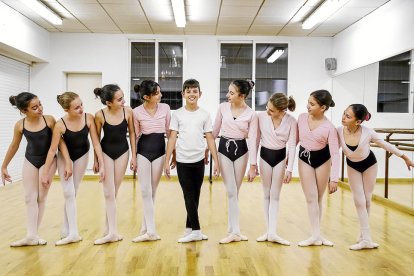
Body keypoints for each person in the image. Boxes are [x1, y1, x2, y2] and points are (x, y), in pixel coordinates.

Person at [338, 104, 414, 250]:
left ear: (358, 121)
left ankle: (364, 237)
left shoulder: (368, 132)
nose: (343, 117)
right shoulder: (339, 131)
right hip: (352, 166)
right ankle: (366, 239)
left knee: (366, 200)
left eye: (348, 116)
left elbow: (386, 145)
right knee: (358, 201)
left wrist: (405, 157)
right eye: (344, 113)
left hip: (369, 166)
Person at [1, 92, 67, 246]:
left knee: (40, 198)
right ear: (24, 111)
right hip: (30, 160)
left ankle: (33, 235)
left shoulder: (49, 120)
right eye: (34, 107)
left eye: (40, 104)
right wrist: (4, 166)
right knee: (29, 198)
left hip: (48, 162)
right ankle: (31, 236)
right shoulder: (20, 125)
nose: (39, 109)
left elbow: (60, 142)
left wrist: (68, 162)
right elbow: (14, 146)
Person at [41, 92, 105, 245]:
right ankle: (74, 233)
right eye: (76, 108)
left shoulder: (88, 118)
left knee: (73, 192)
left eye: (81, 104)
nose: (81, 109)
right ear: (66, 110)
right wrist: (45, 173)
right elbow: (52, 150)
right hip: (65, 158)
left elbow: (96, 143)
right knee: (68, 192)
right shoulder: (60, 125)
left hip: (82, 155)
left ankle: (67, 227)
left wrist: (100, 163)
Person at [164, 79, 219, 243]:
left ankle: (189, 228)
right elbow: (172, 138)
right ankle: (196, 230)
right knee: (188, 194)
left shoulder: (205, 114)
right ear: (183, 94)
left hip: (199, 160)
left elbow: (210, 138)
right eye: (188, 91)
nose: (192, 94)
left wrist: (216, 161)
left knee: (195, 195)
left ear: (200, 94)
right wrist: (167, 160)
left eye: (195, 91)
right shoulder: (177, 114)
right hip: (182, 161)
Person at [212, 80, 258, 244]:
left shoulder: (251, 114)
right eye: (228, 92)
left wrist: (253, 165)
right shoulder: (223, 108)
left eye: (231, 93)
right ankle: (236, 231)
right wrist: (208, 150)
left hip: (241, 151)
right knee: (230, 191)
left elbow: (252, 139)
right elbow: (214, 131)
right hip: (224, 149)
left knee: (235, 192)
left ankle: (232, 229)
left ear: (242, 96)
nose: (227, 95)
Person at [93, 84, 137, 245]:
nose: (123, 101)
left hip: (122, 153)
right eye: (119, 99)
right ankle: (112, 231)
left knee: (114, 192)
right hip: (105, 152)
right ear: (108, 102)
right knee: (108, 193)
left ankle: (109, 228)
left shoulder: (128, 111)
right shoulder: (99, 115)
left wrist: (134, 157)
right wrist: (96, 160)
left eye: (123, 97)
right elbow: (96, 139)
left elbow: (132, 133)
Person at [297, 89, 339, 247]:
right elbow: (294, 139)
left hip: (322, 161)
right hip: (305, 159)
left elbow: (335, 154)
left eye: (312, 104)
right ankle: (315, 236)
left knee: (318, 198)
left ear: (323, 108)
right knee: (311, 197)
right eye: (308, 102)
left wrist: (334, 179)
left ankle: (317, 235)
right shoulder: (301, 118)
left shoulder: (329, 127)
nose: (308, 106)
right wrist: (288, 157)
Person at [132, 80, 170, 242]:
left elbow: (169, 133)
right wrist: (133, 157)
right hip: (143, 152)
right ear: (146, 97)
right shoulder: (136, 112)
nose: (160, 95)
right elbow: (135, 135)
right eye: (157, 94)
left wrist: (171, 156)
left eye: (160, 92)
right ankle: (151, 231)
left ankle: (145, 226)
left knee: (152, 191)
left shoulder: (165, 108)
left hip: (159, 152)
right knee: (145, 191)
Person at [256, 93, 297, 245]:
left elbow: (292, 145)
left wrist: (290, 169)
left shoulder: (291, 121)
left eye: (272, 110)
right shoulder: (261, 116)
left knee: (275, 195)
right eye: (267, 107)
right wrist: (252, 163)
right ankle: (269, 231)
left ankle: (273, 232)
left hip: (280, 158)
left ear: (281, 110)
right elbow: (255, 139)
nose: (268, 111)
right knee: (266, 194)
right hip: (265, 156)